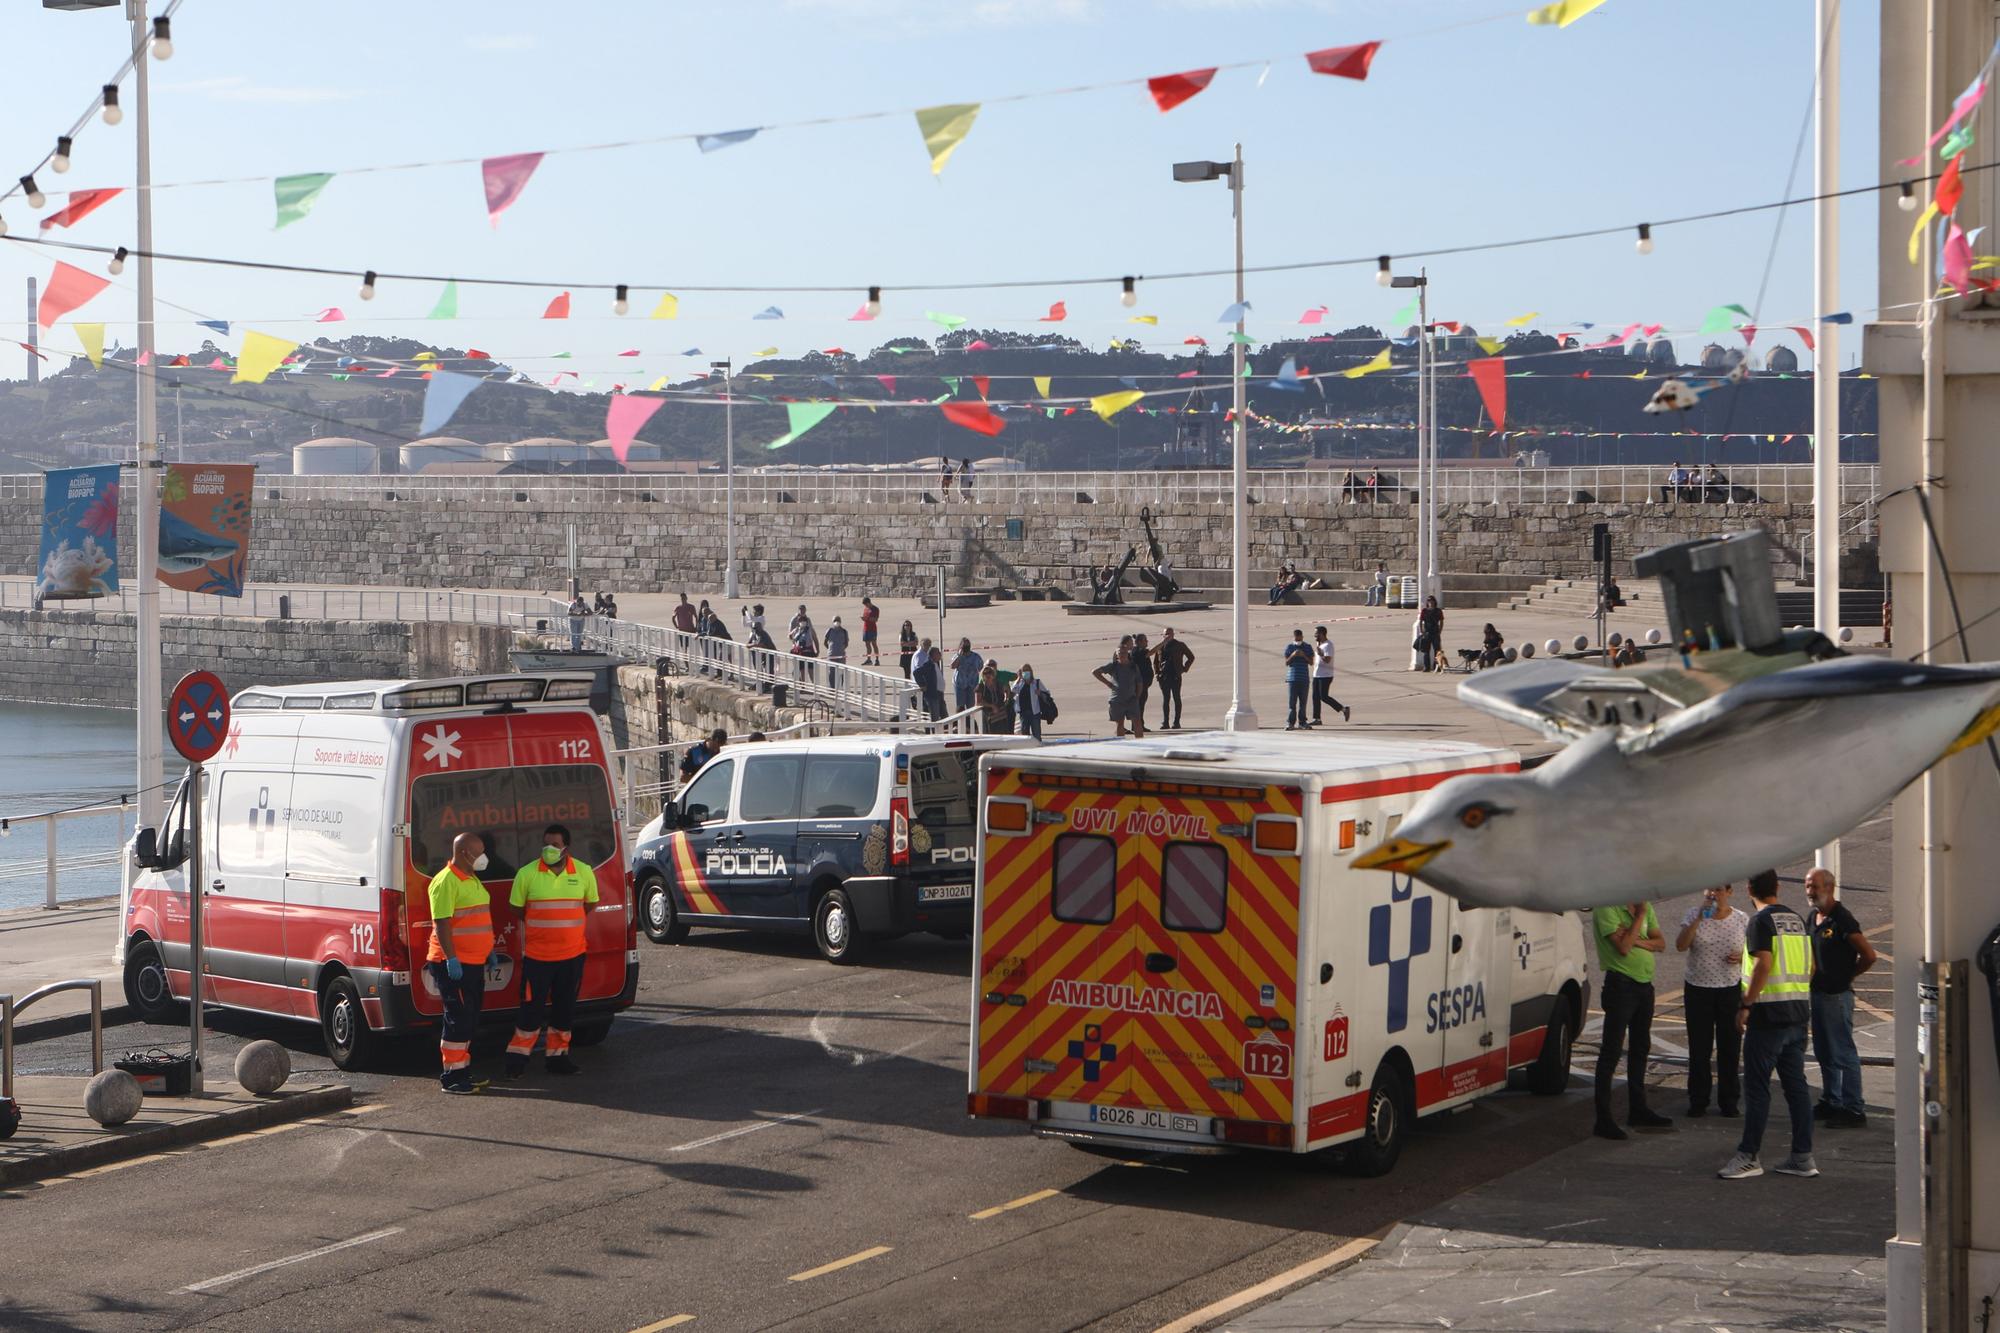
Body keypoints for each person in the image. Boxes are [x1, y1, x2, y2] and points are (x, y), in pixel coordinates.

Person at [1720, 870, 1819, 1179]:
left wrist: (1746, 1004)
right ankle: (1802, 1157)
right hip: (1797, 1014)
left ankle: (1749, 1156)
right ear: (1777, 887)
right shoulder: (1796, 921)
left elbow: (1763, 963)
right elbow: (1811, 966)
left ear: (1749, 889)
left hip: (1767, 1018)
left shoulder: (1759, 922)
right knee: (1796, 1088)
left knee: (1757, 1088)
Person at [504, 823, 599, 1080]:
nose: (549, 849)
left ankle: (558, 1059)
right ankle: (516, 1062)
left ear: (566, 847)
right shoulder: (527, 874)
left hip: (572, 956)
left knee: (564, 1010)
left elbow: (590, 903)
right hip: (538, 958)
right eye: (546, 844)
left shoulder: (583, 872)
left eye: (554, 845)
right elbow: (516, 909)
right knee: (530, 1011)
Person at [1591, 896, 1672, 1139]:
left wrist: (1635, 937)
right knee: (1611, 1051)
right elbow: (1623, 948)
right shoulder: (1607, 907)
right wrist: (1638, 918)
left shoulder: (1645, 907)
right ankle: (1603, 1119)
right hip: (1621, 986)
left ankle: (1638, 1108)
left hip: (1644, 986)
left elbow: (1661, 943)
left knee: (1640, 1048)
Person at [1806, 868, 1877, 1128]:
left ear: (1830, 887)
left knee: (1843, 1050)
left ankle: (1854, 1108)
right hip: (1818, 993)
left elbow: (1869, 955)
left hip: (1836, 996)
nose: (1810, 892)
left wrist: (1848, 976)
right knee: (1824, 1050)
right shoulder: (1814, 917)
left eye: (1814, 886)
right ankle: (1831, 1100)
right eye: (1808, 886)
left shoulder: (1842, 919)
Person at [425, 832, 494, 1094]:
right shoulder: (445, 882)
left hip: (473, 961)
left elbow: (474, 920)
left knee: (470, 1019)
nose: (484, 857)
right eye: (479, 851)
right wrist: (452, 958)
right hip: (453, 963)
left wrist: (486, 950)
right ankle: (452, 1078)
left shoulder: (472, 878)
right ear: (465, 853)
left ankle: (463, 1072)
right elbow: (442, 924)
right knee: (458, 1018)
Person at [1676, 883, 1748, 1118]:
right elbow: (1681, 945)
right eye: (1709, 890)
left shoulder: (1741, 919)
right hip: (1699, 988)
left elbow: (1753, 953)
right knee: (1700, 1047)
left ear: (1729, 892)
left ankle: (1729, 1100)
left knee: (1729, 1047)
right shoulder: (1693, 914)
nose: (1713, 894)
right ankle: (1698, 1100)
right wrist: (1699, 916)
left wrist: (1741, 958)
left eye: (1718, 890)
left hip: (1729, 988)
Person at [1092, 642, 1145, 739]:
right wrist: (1108, 683)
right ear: (1117, 655)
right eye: (1120, 653)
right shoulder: (1113, 666)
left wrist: (1137, 696)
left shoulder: (1133, 666)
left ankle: (1140, 741)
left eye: (1124, 653)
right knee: (1120, 724)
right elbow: (1095, 672)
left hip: (1131, 699)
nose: (1122, 655)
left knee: (1137, 722)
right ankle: (1121, 743)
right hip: (1117, 700)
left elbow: (1139, 682)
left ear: (1128, 654)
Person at [1153, 627, 1194, 730]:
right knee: (1166, 699)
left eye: (1169, 633)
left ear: (1173, 635)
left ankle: (1176, 722)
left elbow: (1191, 657)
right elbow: (1155, 662)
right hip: (1164, 676)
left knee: (1176, 698)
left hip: (1175, 675)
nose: (1167, 635)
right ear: (1162, 635)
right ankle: (1165, 722)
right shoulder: (1160, 646)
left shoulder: (1179, 645)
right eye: (1166, 634)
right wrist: (1157, 673)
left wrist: (1184, 668)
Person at [1310, 625, 1351, 724]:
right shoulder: (1319, 644)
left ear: (1322, 634)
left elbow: (1328, 660)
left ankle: (1344, 709)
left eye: (1316, 633)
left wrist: (1321, 654)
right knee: (1315, 697)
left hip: (1325, 675)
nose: (1314, 635)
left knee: (1323, 697)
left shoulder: (1329, 645)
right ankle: (1317, 719)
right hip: (1317, 674)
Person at [1283, 629, 1313, 730]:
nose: (1298, 639)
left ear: (1302, 637)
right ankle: (1290, 722)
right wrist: (1293, 655)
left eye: (1299, 637)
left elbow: (1311, 662)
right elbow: (1287, 662)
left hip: (1304, 678)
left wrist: (1303, 655)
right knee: (1292, 703)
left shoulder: (1307, 647)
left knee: (1303, 703)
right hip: (1292, 678)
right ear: (1294, 637)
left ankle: (1302, 722)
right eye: (1296, 637)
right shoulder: (1290, 647)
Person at [913, 638, 946, 721]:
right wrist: (922, 684)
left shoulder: (935, 663)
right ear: (933, 655)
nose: (940, 654)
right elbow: (916, 672)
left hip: (939, 694)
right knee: (935, 717)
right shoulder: (928, 665)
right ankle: (934, 733)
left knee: (944, 717)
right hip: (933, 694)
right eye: (938, 653)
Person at [1013, 664, 1048, 740]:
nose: (1026, 672)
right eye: (1024, 671)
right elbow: (1013, 690)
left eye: (1027, 670)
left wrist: (1040, 693)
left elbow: (1047, 693)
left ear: (1031, 672)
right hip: (1023, 713)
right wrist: (1018, 678)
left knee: (1037, 735)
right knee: (1025, 735)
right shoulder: (1019, 683)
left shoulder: (1036, 682)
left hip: (1034, 713)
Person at [951, 638, 984, 715]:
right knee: (960, 706)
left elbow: (981, 667)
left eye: (967, 645)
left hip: (972, 684)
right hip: (960, 684)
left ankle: (970, 723)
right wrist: (959, 656)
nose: (966, 647)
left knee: (971, 707)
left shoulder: (976, 656)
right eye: (964, 645)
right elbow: (953, 666)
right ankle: (959, 722)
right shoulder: (957, 656)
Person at [975, 662, 1008, 734]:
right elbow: (978, 702)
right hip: (989, 716)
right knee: (991, 734)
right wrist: (992, 706)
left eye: (989, 673)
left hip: (1001, 714)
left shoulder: (999, 684)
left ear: (993, 674)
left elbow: (1006, 690)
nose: (987, 675)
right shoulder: (980, 687)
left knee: (1003, 734)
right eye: (985, 673)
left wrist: (1006, 699)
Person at [1132, 633, 1154, 719]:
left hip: (1143, 684)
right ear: (1140, 642)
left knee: (1141, 705)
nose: (1147, 641)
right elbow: (1151, 652)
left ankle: (1139, 724)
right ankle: (1138, 725)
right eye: (1145, 640)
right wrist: (1163, 642)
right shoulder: (1138, 652)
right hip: (1140, 684)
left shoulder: (1137, 650)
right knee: (1139, 705)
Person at [1419, 595, 1444, 672]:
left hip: (1435, 633)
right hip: (1427, 633)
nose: (1431, 603)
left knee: (1437, 651)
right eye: (1429, 601)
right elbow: (1421, 621)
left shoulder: (1438, 611)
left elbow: (1441, 621)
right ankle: (1426, 667)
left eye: (1432, 601)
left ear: (1434, 602)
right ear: (1427, 602)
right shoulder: (1424, 611)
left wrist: (1440, 631)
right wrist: (1422, 631)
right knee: (1426, 651)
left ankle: (1437, 666)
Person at [860, 596, 881, 666]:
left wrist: (867, 619)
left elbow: (875, 619)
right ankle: (868, 660)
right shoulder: (865, 609)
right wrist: (864, 619)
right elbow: (866, 617)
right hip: (866, 629)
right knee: (867, 644)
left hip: (872, 629)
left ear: (869, 602)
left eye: (866, 604)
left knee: (874, 644)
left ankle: (877, 659)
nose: (865, 606)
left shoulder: (875, 609)